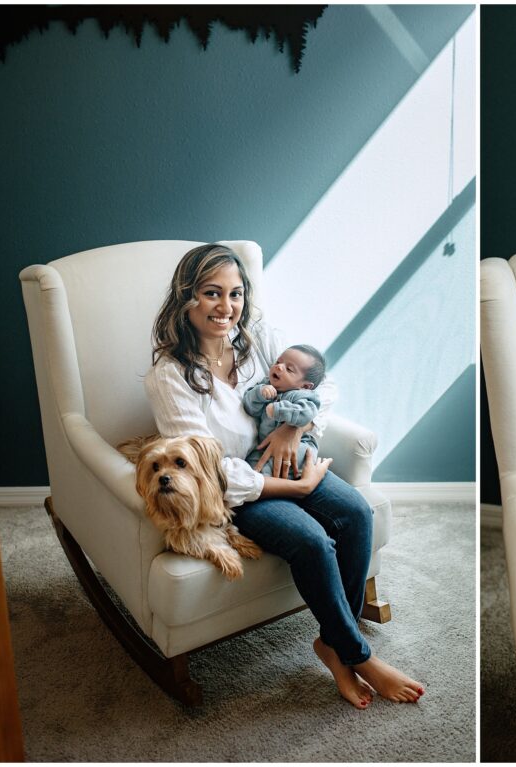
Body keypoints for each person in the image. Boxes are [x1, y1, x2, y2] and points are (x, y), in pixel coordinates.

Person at [145, 243, 424, 709]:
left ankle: (332, 644)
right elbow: (206, 468)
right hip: (244, 489)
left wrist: (294, 428)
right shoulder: (170, 376)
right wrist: (293, 488)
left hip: (291, 462)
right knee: (313, 540)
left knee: (356, 512)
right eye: (212, 293)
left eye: (235, 294)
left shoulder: (255, 337)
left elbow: (324, 382)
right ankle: (357, 654)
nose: (226, 307)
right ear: (186, 298)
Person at [243, 344, 326, 476]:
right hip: (265, 446)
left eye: (289, 369)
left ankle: (288, 477)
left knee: (300, 455)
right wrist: (259, 393)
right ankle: (258, 479)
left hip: (300, 445)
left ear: (305, 386)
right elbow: (250, 407)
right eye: (278, 362)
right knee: (251, 463)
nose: (279, 367)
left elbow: (306, 414)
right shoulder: (266, 385)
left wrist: (279, 410)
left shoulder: (304, 396)